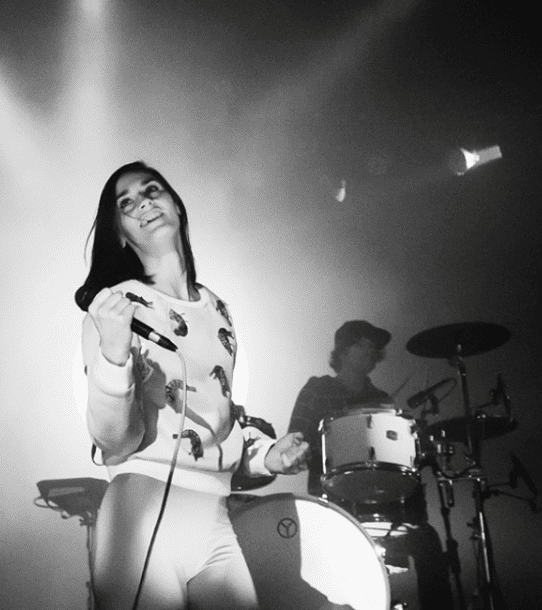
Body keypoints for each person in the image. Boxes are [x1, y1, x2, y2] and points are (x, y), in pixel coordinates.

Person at [75, 161, 310, 610]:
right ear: (120, 233)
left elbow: (219, 422)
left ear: (177, 205)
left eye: (152, 190)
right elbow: (113, 439)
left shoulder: (219, 309)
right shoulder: (116, 309)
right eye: (126, 203)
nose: (143, 203)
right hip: (142, 512)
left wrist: (265, 456)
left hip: (215, 518)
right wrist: (114, 355)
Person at [287, 320, 454, 609]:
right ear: (342, 351)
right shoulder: (317, 389)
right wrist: (313, 449)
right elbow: (294, 440)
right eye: (361, 344)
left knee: (427, 541)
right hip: (332, 506)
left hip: (382, 506)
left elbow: (397, 462)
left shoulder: (382, 400)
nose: (369, 351)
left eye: (372, 346)